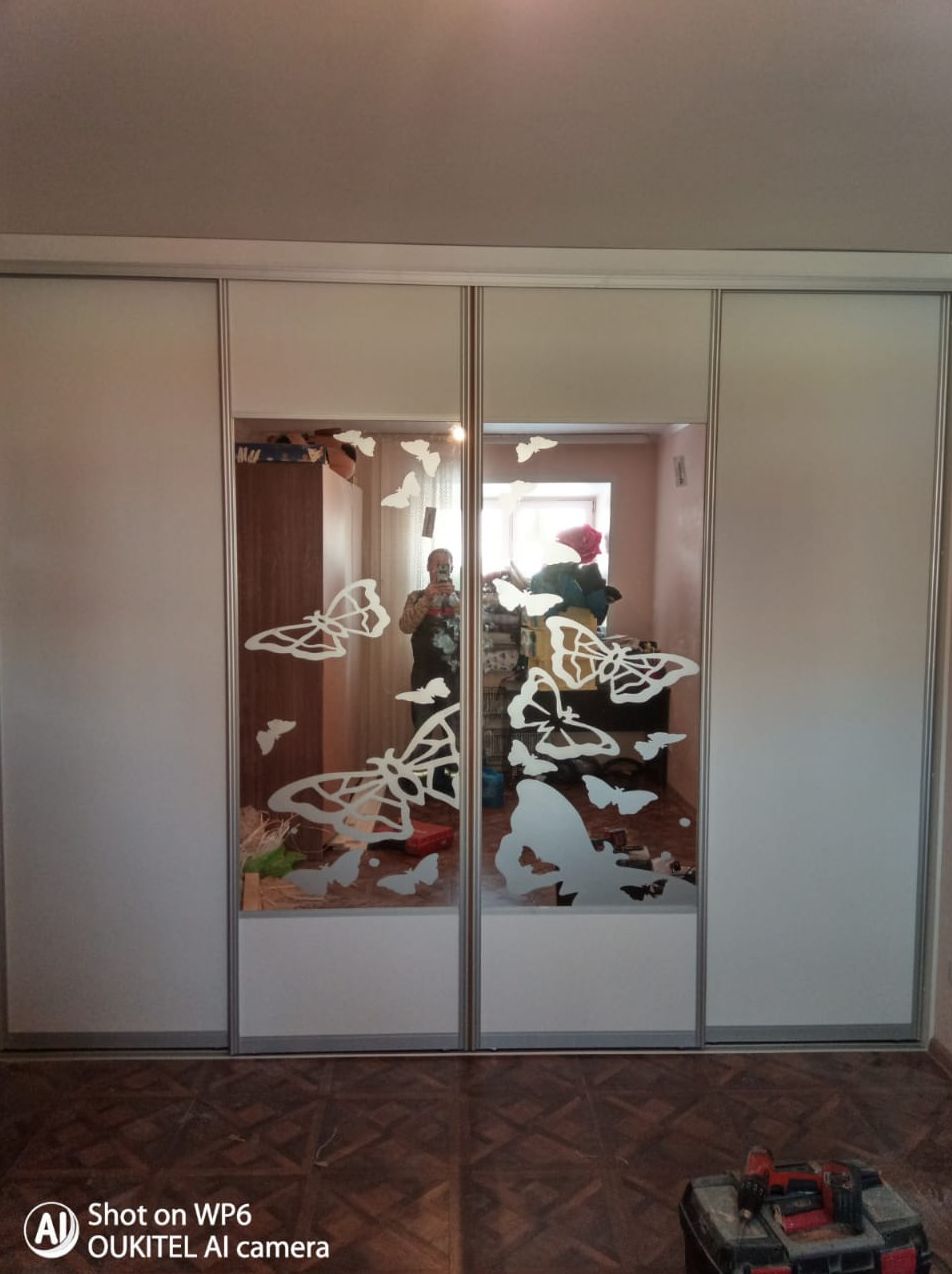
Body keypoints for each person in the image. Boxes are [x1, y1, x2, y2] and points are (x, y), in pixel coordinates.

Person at [399, 548, 461, 728]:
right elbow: (405, 626)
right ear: (428, 567)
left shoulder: (460, 598)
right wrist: (426, 599)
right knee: (423, 729)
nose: (440, 569)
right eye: (436, 565)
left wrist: (455, 602)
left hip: (453, 676)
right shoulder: (416, 597)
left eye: (445, 566)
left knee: (454, 732)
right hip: (423, 674)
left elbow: (472, 630)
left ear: (451, 569)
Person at [529, 524, 621, 623]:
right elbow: (595, 616)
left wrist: (601, 593)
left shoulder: (541, 577)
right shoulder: (580, 577)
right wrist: (600, 593)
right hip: (568, 628)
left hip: (555, 628)